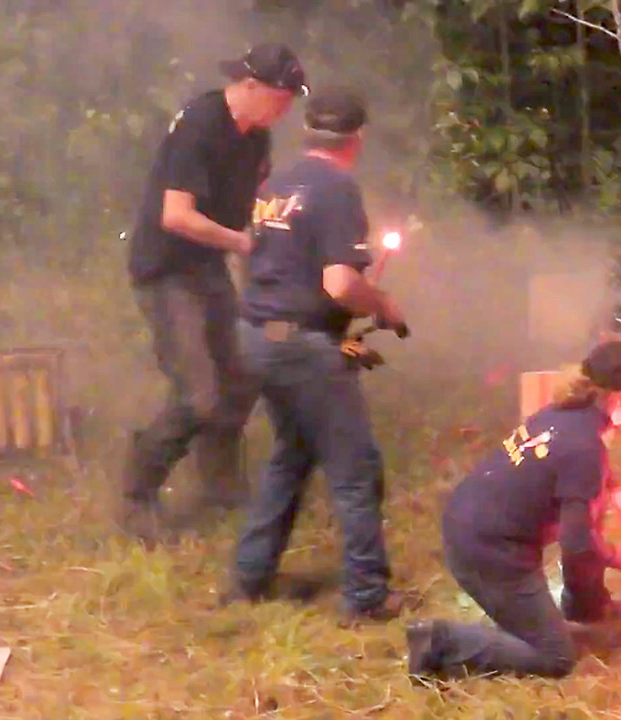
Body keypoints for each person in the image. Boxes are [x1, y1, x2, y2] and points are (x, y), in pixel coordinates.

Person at [225, 86, 414, 624]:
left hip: (256, 335)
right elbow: (338, 284)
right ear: (357, 138)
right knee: (356, 468)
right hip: (300, 346)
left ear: (309, 131)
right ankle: (366, 596)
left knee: (291, 455)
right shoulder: (336, 187)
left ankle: (249, 577)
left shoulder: (276, 183)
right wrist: (384, 305)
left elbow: (266, 260)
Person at [121, 43, 309, 540]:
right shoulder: (200, 125)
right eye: (280, 96)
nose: (285, 108)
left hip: (207, 269)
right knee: (197, 395)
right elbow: (175, 215)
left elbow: (253, 204)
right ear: (249, 86)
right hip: (165, 271)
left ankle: (220, 484)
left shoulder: (256, 138)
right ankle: (137, 495)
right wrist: (240, 243)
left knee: (240, 377)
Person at [405, 340, 621, 679]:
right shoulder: (584, 446)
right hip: (489, 554)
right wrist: (620, 556)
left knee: (589, 509)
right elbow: (576, 544)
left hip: (470, 521)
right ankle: (441, 640)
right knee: (554, 657)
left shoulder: (563, 412)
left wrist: (610, 488)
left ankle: (587, 606)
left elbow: (567, 463)